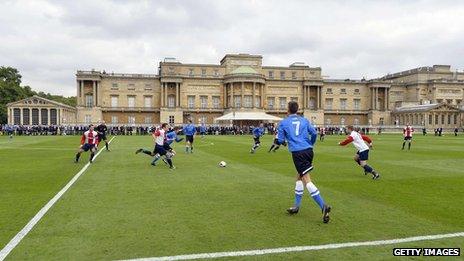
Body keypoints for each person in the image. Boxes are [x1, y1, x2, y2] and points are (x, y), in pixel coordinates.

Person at [277, 101, 331, 223]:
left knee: (307, 179)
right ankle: (296, 206)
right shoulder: (304, 120)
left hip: (298, 153)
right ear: (297, 110)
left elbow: (280, 140)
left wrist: (283, 142)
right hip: (308, 151)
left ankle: (323, 206)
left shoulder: (284, 122)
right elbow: (313, 133)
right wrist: (311, 143)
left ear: (288, 110)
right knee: (299, 177)